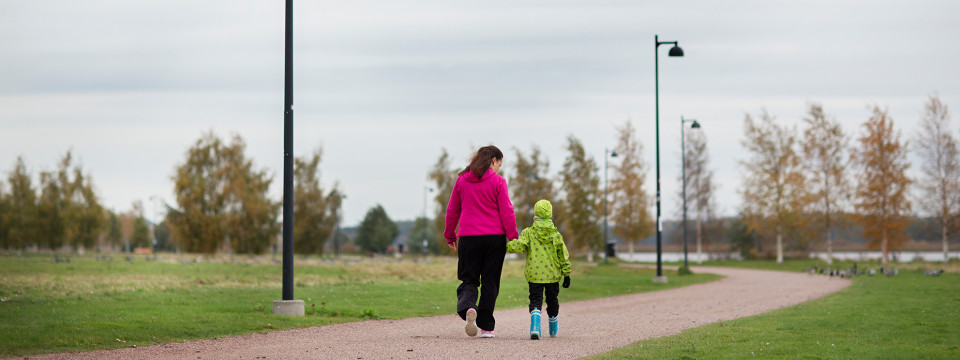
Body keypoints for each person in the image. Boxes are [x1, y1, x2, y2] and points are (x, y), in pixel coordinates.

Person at [445, 145, 518, 339]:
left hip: (469, 238)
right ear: (493, 160)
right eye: (499, 164)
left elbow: (452, 210)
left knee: (469, 279)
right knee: (490, 281)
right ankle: (486, 328)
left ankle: (469, 307)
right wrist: (513, 236)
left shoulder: (462, 180)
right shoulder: (499, 182)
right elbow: (507, 211)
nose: (498, 169)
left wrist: (450, 235)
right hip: (494, 239)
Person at [505, 199, 571, 340]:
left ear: (535, 213)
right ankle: (553, 327)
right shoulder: (556, 235)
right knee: (552, 300)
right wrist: (567, 274)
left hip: (534, 274)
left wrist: (508, 245)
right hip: (552, 275)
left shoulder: (529, 232)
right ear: (550, 214)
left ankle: (535, 327)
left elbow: (520, 246)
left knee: (535, 300)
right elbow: (563, 255)